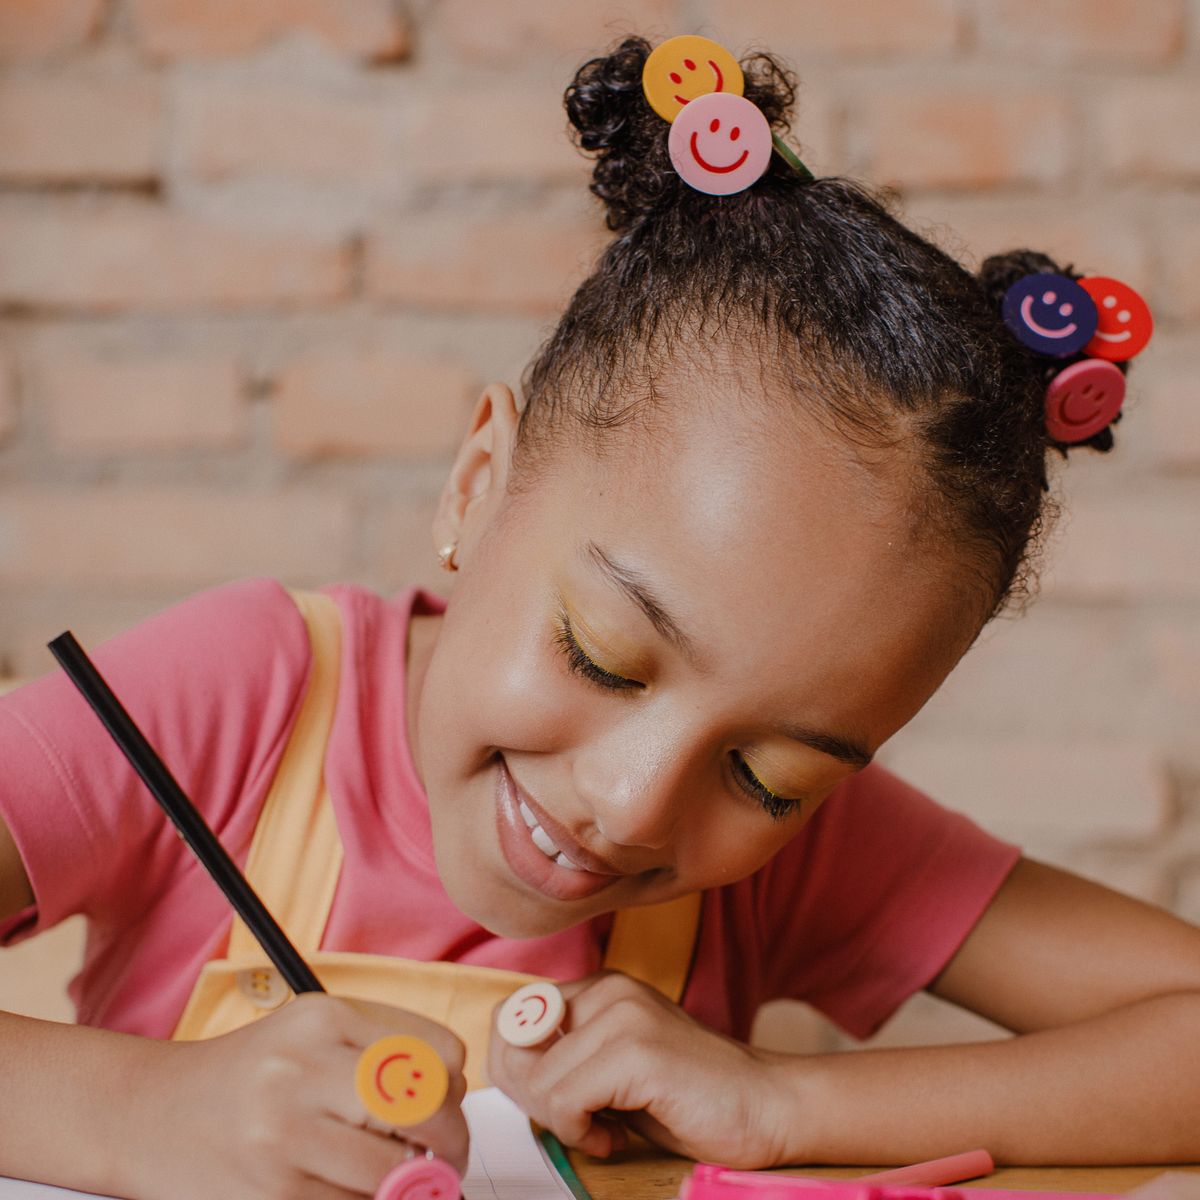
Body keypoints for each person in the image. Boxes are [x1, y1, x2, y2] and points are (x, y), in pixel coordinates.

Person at [2, 33, 1197, 1200]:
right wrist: (138, 1113)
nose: (631, 805)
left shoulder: (801, 858)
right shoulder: (249, 697)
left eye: (769, 776)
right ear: (479, 482)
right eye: (604, 655)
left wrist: (784, 1104)